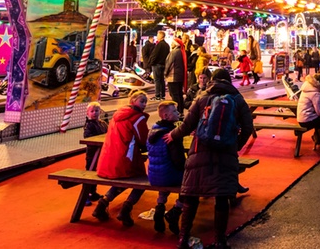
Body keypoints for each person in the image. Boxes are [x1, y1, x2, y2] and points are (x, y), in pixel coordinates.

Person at [165, 68, 254, 249]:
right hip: (226, 153)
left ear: (212, 80)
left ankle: (183, 238)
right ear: (229, 81)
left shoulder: (202, 97)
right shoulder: (237, 100)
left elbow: (187, 124)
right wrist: (235, 145)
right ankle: (220, 240)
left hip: (200, 150)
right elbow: (247, 128)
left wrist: (172, 135)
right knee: (222, 197)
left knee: (191, 195)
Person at [93, 89, 149, 226]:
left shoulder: (117, 115)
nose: (145, 104)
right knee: (143, 181)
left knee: (122, 179)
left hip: (108, 160)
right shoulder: (138, 117)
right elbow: (143, 139)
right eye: (142, 101)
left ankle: (102, 203)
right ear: (133, 101)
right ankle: (126, 208)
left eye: (146, 101)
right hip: (125, 159)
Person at [146, 100, 185, 234]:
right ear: (166, 116)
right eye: (175, 111)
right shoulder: (172, 135)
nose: (178, 113)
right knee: (190, 180)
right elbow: (178, 161)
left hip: (153, 176)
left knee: (165, 170)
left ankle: (160, 207)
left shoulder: (152, 131)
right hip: (169, 176)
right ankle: (176, 211)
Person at [83, 102, 109, 205]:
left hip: (101, 152)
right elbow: (87, 137)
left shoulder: (102, 123)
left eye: (96, 111)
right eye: (92, 111)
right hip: (92, 153)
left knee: (96, 172)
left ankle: (93, 192)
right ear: (88, 113)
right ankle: (85, 195)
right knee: (90, 172)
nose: (94, 113)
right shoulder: (88, 125)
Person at [165, 37, 187, 115]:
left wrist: (165, 73)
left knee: (174, 95)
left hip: (173, 76)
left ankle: (176, 111)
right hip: (179, 76)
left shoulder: (174, 52)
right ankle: (181, 110)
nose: (171, 44)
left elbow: (169, 64)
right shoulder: (181, 52)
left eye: (172, 43)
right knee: (179, 94)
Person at [150, 31, 170, 101]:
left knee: (157, 80)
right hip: (163, 64)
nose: (157, 37)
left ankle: (157, 95)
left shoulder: (159, 45)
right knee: (162, 80)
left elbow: (155, 55)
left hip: (157, 64)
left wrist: (151, 63)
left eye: (158, 35)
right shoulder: (167, 45)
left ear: (161, 36)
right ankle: (162, 95)